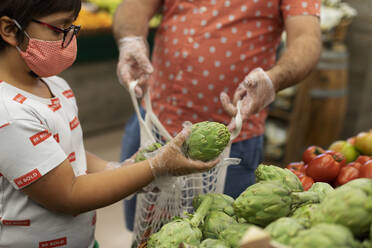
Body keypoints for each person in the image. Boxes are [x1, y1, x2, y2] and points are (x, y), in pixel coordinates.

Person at [0, 1, 219, 247]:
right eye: (58, 30)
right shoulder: (9, 113)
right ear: (9, 29)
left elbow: (72, 155)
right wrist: (154, 167)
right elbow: (68, 193)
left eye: (72, 29)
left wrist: (118, 168)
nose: (69, 42)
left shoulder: (56, 85)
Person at [114, 0, 321, 231]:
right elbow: (135, 6)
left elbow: (306, 38)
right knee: (145, 233)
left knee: (216, 234)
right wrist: (130, 40)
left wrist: (274, 79)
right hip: (153, 124)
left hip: (231, 143)